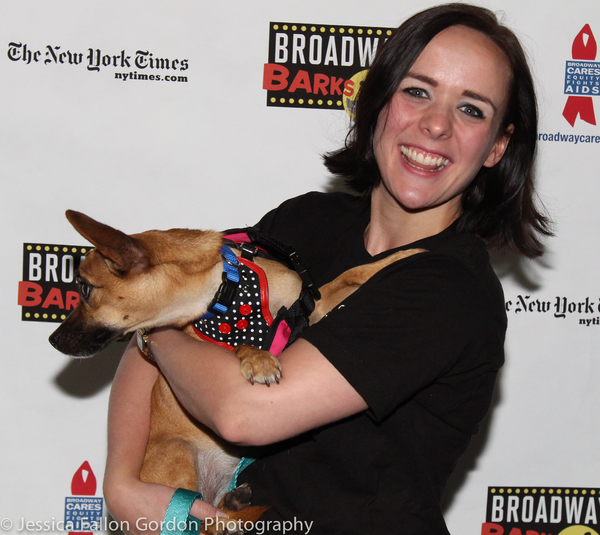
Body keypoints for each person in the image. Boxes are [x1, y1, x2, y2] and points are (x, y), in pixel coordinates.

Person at [103, 3, 551, 534]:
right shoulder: (301, 222)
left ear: (498, 146)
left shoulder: (451, 289)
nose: (435, 124)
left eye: (472, 109)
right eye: (417, 90)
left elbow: (242, 413)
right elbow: (150, 347)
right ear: (377, 99)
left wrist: (159, 321)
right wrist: (122, 484)